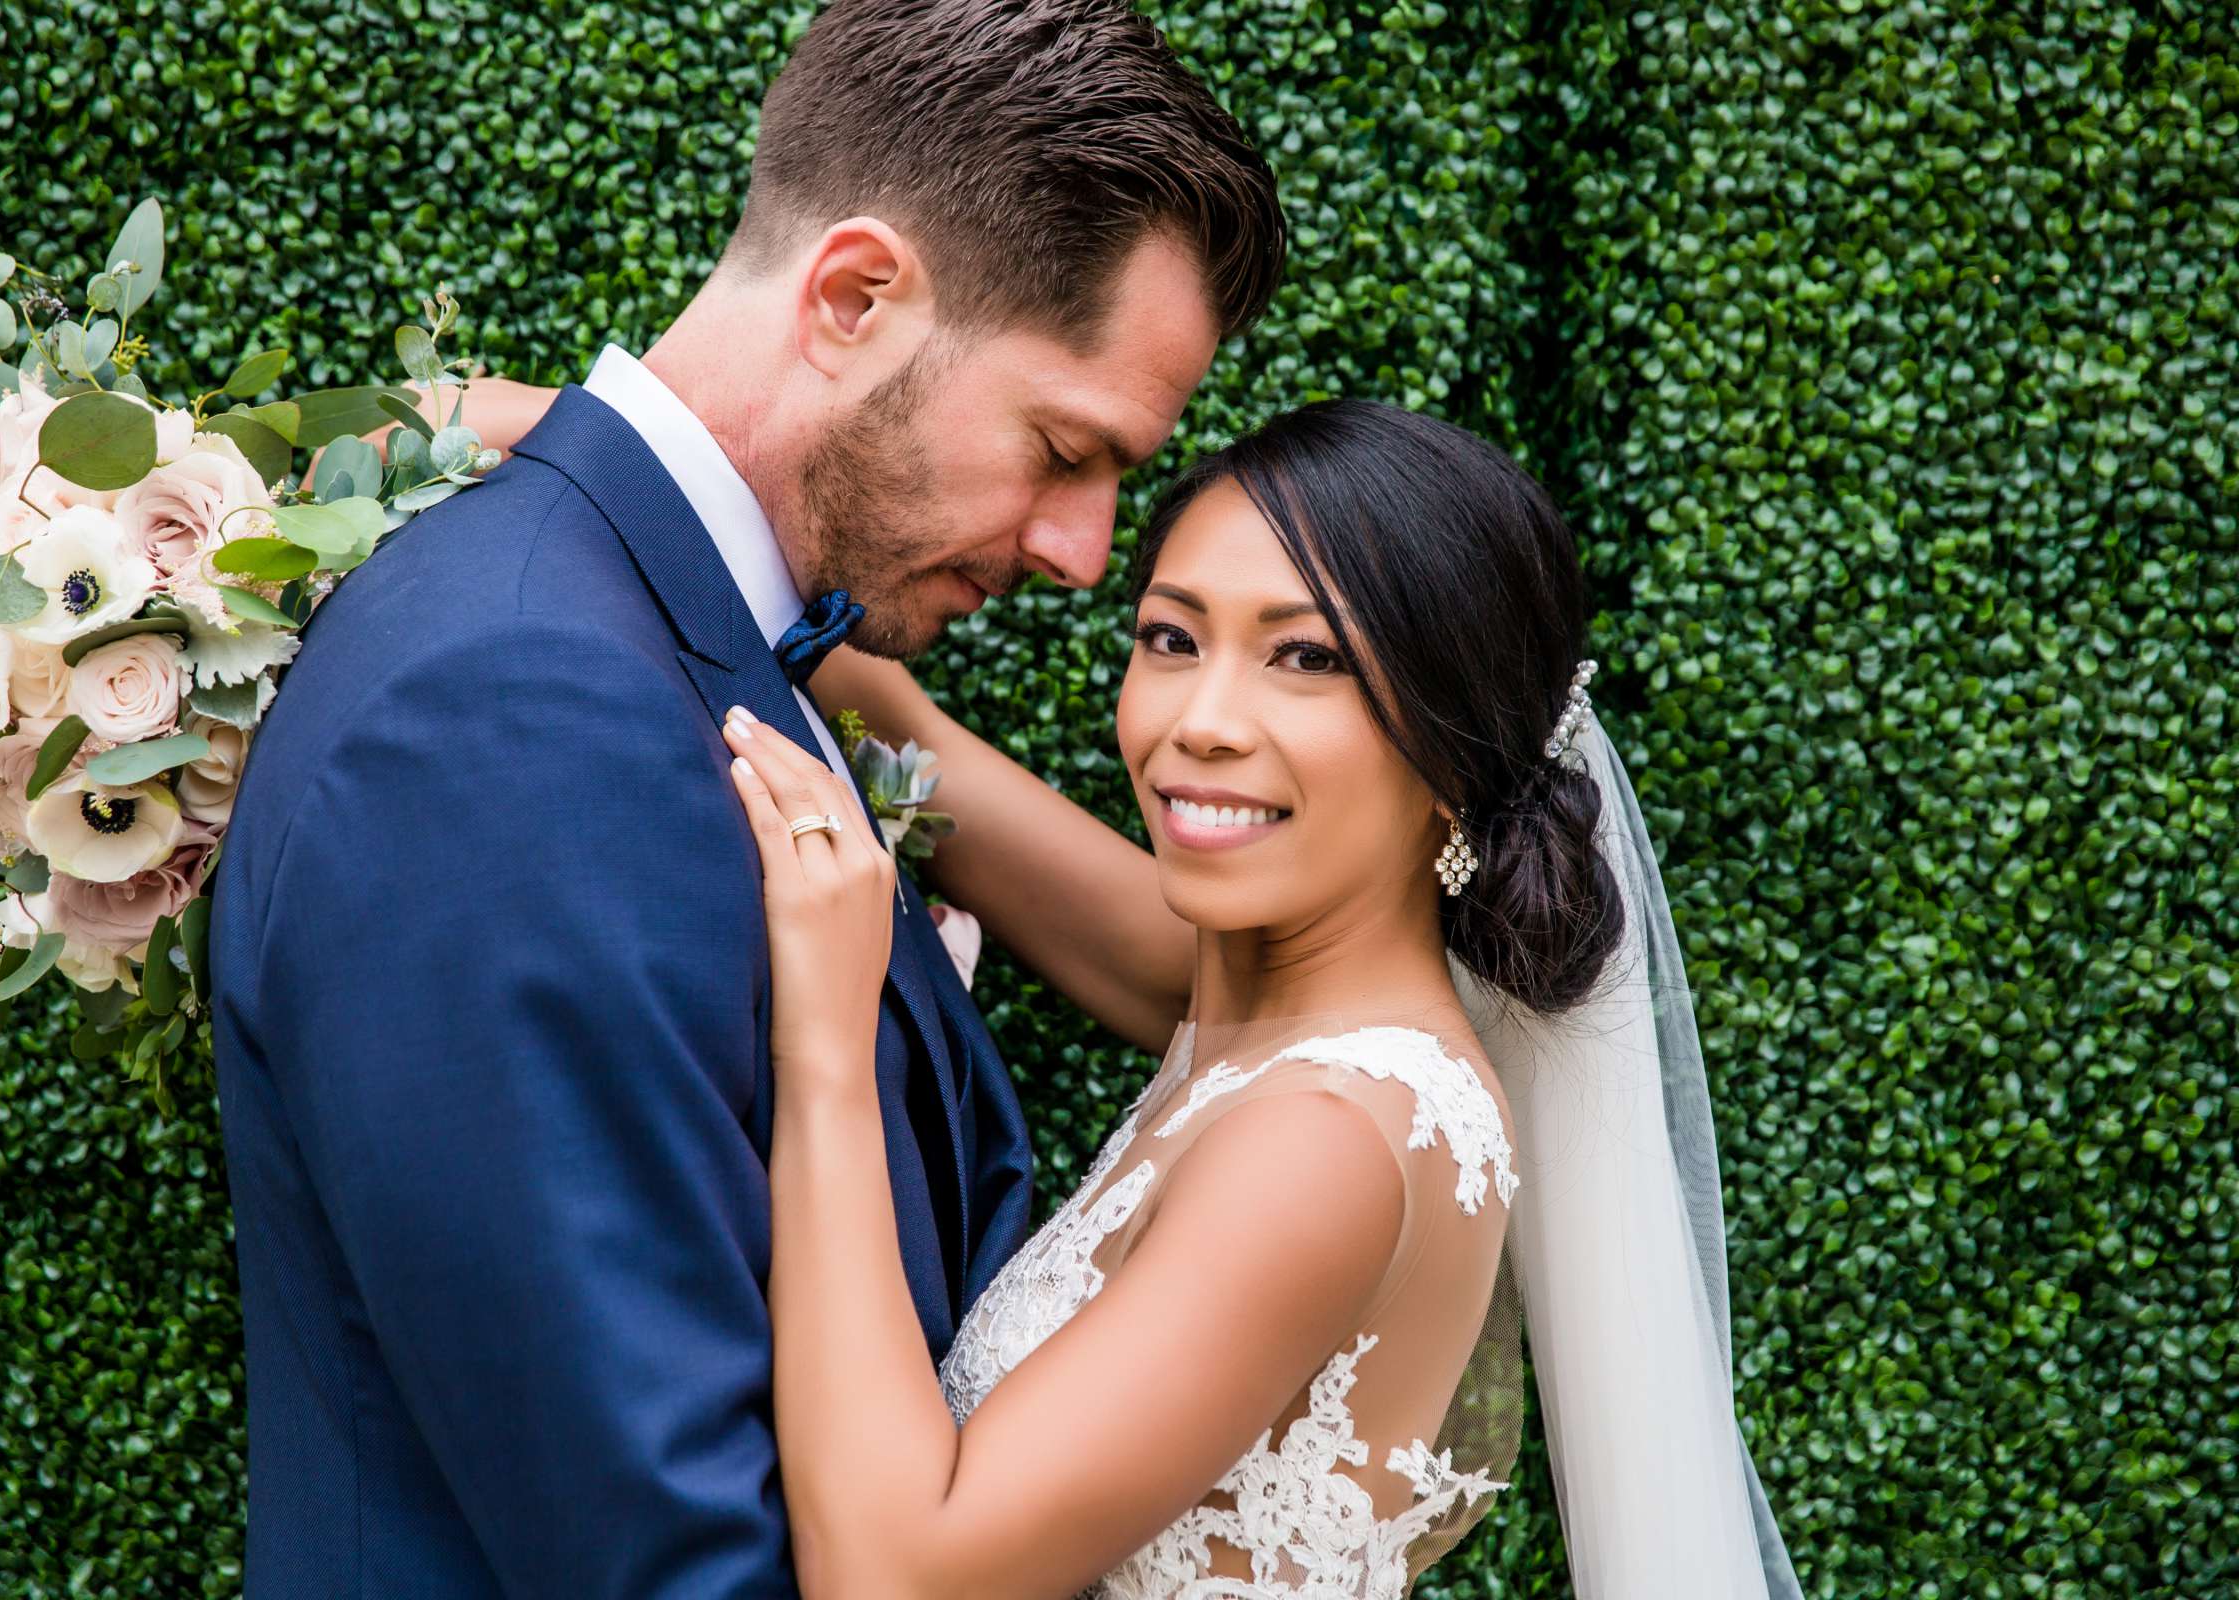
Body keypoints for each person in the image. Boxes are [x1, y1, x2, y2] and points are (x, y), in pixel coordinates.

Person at [206, 0, 1285, 1593]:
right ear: (854, 295)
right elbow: (664, 1552)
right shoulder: (514, 715)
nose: (1080, 551)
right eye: (1065, 448)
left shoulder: (676, 640)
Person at [713, 398, 1806, 1597]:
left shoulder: (1325, 1134)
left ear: (1456, 747)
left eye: (1306, 658)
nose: (1202, 723)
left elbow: (896, 1576)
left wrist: (824, 1048)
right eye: (1173, 639)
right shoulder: (1262, 996)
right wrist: (562, 434)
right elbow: (899, 734)